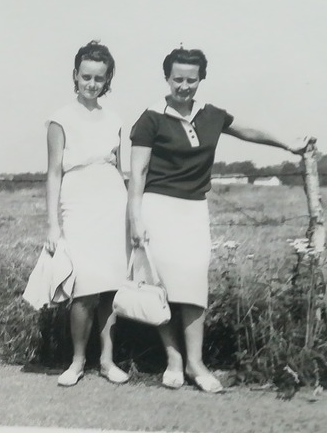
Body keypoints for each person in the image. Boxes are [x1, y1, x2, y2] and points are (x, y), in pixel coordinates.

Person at [127, 47, 312, 393]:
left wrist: (288, 144)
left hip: (194, 209)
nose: (184, 86)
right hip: (156, 206)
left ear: (201, 80)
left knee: (194, 282)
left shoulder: (211, 114)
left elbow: (250, 131)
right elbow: (137, 172)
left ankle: (196, 364)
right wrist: (135, 218)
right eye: (177, 79)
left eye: (191, 80)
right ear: (167, 78)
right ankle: (174, 360)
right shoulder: (150, 118)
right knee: (159, 285)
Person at [43, 40, 131, 388]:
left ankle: (107, 361)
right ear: (75, 76)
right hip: (77, 201)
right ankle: (78, 361)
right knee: (83, 287)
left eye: (99, 78)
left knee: (110, 287)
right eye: (86, 77)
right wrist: (52, 224)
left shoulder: (115, 119)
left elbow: (119, 168)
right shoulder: (59, 119)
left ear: (107, 80)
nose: (92, 84)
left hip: (112, 201)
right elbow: (53, 173)